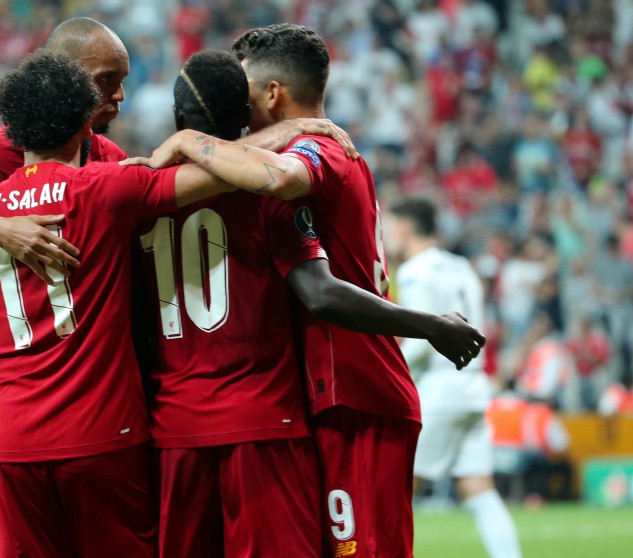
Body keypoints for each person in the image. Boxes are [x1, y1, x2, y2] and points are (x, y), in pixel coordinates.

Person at [0, 49, 313, 558]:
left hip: (13, 442)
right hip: (102, 433)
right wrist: (288, 134)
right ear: (87, 121)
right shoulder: (103, 189)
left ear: (12, 129)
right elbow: (228, 174)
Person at [127, 24, 477, 558]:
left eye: (243, 95)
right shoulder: (278, 151)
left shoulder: (321, 149)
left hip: (354, 387)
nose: (238, 112)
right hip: (321, 393)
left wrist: (184, 140)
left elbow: (283, 185)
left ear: (271, 94)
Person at [0, 17, 358, 282]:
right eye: (108, 79)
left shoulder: (106, 153)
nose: (121, 95)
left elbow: (198, 174)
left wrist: (289, 129)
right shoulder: (1, 151)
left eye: (124, 80)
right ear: (67, 75)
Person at [386, 197, 522, 558]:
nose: (385, 236)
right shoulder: (463, 267)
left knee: (395, 489)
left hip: (439, 391)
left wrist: (385, 369)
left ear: (405, 227)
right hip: (474, 388)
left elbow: (421, 343)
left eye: (388, 226)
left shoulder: (415, 270)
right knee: (479, 490)